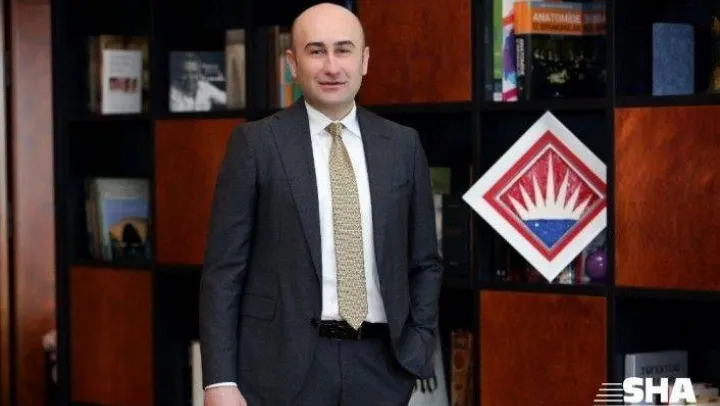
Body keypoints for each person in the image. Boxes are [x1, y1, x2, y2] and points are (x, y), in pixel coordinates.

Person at [198, 3, 443, 405]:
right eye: (316, 51)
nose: (332, 66)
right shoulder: (256, 144)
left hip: (381, 368)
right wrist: (220, 381)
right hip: (281, 369)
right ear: (293, 63)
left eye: (344, 50)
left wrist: (418, 344)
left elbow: (425, 262)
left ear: (364, 60)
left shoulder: (402, 145)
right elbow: (223, 273)